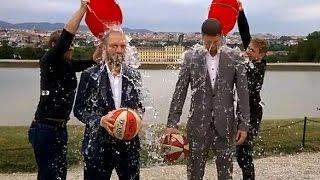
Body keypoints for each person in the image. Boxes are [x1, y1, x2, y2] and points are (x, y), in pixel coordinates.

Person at [163, 18, 250, 180]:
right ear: (202, 37)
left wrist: (244, 125)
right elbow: (179, 92)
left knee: (226, 174)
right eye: (208, 42)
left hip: (226, 125)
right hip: (197, 126)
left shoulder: (235, 57)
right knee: (194, 174)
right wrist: (171, 123)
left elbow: (243, 94)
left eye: (215, 41)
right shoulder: (190, 58)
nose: (212, 46)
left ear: (222, 37)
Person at [28, 1, 102, 179]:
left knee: (59, 173)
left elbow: (91, 61)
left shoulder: (67, 65)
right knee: (49, 174)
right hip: (45, 128)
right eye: (68, 45)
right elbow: (67, 35)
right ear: (55, 47)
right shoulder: (49, 61)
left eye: (72, 44)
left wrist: (101, 46)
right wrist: (83, 9)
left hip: (59, 128)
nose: (72, 46)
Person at [73, 28, 144, 180]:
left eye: (123, 46)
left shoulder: (134, 75)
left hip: (128, 146)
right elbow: (79, 110)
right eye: (114, 46)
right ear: (104, 48)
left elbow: (140, 106)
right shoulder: (90, 75)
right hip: (98, 146)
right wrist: (100, 120)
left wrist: (137, 116)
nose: (119, 50)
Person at [236, 1, 268, 179]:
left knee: (245, 154)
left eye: (252, 50)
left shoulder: (259, 66)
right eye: (248, 48)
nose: (248, 51)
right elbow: (245, 34)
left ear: (261, 55)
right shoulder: (250, 58)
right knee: (240, 153)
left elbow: (248, 68)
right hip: (242, 111)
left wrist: (239, 59)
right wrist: (241, 12)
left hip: (253, 113)